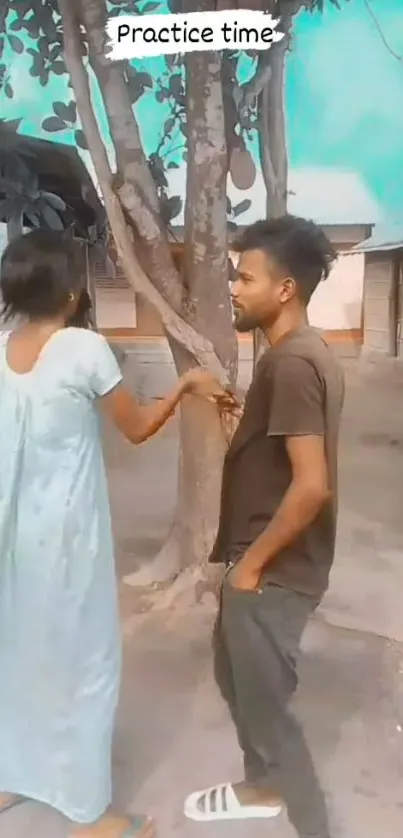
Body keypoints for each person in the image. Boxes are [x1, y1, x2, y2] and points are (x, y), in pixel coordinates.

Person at [0, 229, 234, 838]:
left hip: (11, 537)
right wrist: (183, 387)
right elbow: (134, 428)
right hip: (68, 538)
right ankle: (90, 814)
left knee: (18, 653)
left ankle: (12, 776)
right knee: (85, 663)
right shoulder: (82, 349)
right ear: (75, 291)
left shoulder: (1, 346)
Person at [184, 215, 345, 837]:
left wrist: (250, 567)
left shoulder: (293, 365)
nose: (234, 287)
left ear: (285, 291)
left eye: (246, 277)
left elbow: (311, 485)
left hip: (274, 571)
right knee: (236, 676)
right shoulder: (298, 354)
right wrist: (237, 426)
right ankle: (260, 785)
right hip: (268, 564)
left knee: (270, 713)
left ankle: (307, 821)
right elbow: (278, 462)